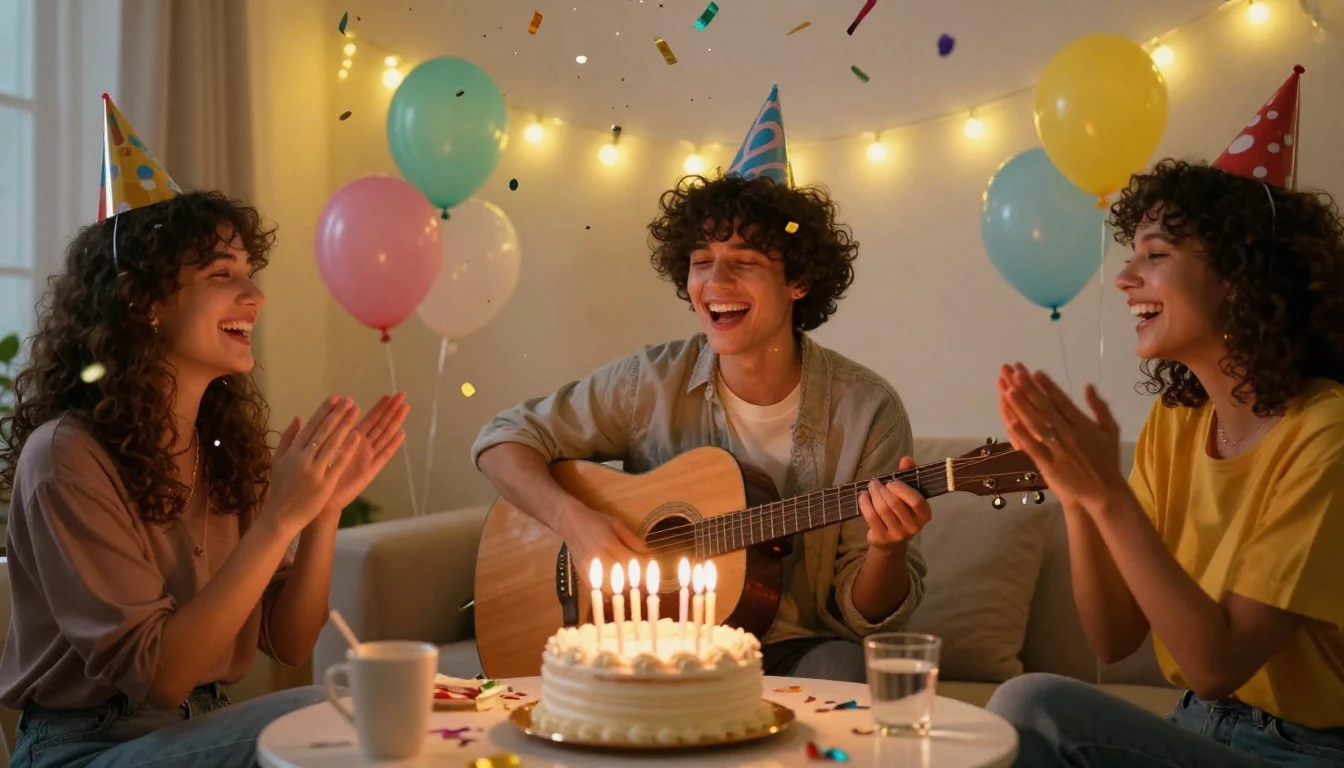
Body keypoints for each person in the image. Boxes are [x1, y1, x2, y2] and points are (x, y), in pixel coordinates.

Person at [0, 111, 409, 766]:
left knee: (350, 712)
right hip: (82, 748)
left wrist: (323, 511)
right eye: (224, 275)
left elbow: (290, 638)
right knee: (329, 718)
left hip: (201, 727)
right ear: (146, 302)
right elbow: (160, 677)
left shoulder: (223, 445)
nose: (256, 296)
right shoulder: (66, 455)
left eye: (251, 272)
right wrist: (279, 519)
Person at [474, 157, 930, 682]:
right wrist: (574, 524)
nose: (716, 282)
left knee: (848, 667)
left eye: (745, 262)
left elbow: (867, 617)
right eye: (701, 260)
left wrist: (887, 549)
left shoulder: (866, 410)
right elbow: (502, 439)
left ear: (798, 281)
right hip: (644, 647)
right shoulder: (648, 381)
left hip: (789, 652)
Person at [985, 107, 1344, 764]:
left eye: (1155, 256)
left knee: (1029, 705)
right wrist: (1079, 497)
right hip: (1195, 728)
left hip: (1307, 752)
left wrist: (1110, 497)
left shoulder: (1327, 436)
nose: (1125, 280)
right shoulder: (1177, 424)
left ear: (1242, 276)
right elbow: (1114, 638)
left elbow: (1216, 665)